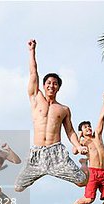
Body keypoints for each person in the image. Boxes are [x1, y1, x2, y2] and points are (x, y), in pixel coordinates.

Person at [15, 39, 88, 191]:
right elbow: (33, 72)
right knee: (18, 187)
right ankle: (40, 171)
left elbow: (70, 131)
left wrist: (79, 146)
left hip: (56, 153)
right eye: (48, 83)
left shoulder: (64, 109)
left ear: (58, 88)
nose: (51, 85)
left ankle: (82, 165)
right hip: (37, 153)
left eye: (55, 83)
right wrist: (32, 52)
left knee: (82, 181)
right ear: (43, 85)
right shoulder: (36, 98)